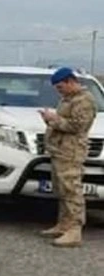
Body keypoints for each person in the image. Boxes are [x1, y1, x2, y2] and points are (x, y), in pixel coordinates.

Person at [39, 67, 96, 247]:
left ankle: (75, 229)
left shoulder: (84, 100)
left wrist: (53, 119)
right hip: (60, 150)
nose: (59, 91)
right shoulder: (68, 99)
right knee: (61, 189)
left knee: (71, 190)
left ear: (71, 82)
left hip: (71, 152)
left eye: (61, 87)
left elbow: (77, 126)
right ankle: (64, 224)